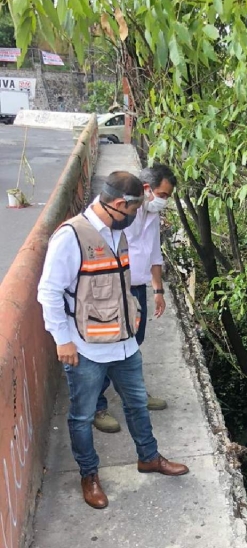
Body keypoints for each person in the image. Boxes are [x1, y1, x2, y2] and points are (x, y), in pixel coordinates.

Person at [37, 170, 189, 509]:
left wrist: (136, 310)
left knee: (137, 404)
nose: (135, 217)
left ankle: (149, 457)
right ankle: (89, 475)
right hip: (87, 347)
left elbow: (120, 283)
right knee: (82, 415)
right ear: (120, 204)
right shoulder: (72, 236)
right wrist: (63, 340)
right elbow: (48, 291)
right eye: (133, 211)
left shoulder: (115, 232)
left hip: (124, 343)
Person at [93, 163, 177, 433]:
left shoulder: (150, 215)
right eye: (161, 194)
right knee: (110, 345)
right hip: (115, 289)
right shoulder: (120, 213)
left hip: (138, 288)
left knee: (134, 343)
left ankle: (136, 393)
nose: (163, 201)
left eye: (167, 196)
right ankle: (97, 405)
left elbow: (154, 254)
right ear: (145, 189)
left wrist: (158, 289)